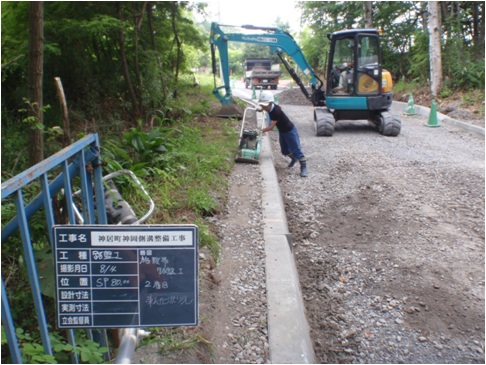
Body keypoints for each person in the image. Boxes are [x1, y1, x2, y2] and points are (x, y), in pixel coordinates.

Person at [258, 91, 308, 177]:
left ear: (270, 103)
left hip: (289, 131)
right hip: (282, 131)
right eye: (262, 105)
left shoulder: (276, 111)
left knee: (296, 149)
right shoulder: (270, 108)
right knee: (284, 150)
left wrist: (260, 131)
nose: (263, 107)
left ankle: (303, 167)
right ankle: (293, 159)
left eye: (264, 105)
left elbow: (271, 127)